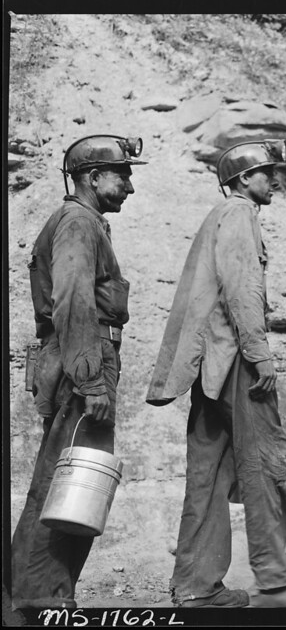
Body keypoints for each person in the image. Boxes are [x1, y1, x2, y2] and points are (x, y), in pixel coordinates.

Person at [146, 141, 286, 609]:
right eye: (267, 172)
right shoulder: (240, 213)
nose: (275, 180)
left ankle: (194, 586)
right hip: (236, 364)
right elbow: (242, 288)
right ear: (242, 179)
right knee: (266, 464)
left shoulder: (219, 215)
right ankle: (276, 584)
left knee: (206, 476)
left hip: (210, 364)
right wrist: (260, 353)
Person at [13, 134, 144, 609]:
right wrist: (91, 379)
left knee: (60, 478)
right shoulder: (78, 222)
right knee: (69, 482)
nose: (129, 187)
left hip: (77, 357)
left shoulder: (86, 222)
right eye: (123, 175)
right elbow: (72, 300)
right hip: (81, 361)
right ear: (92, 177)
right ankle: (43, 599)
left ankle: (31, 594)